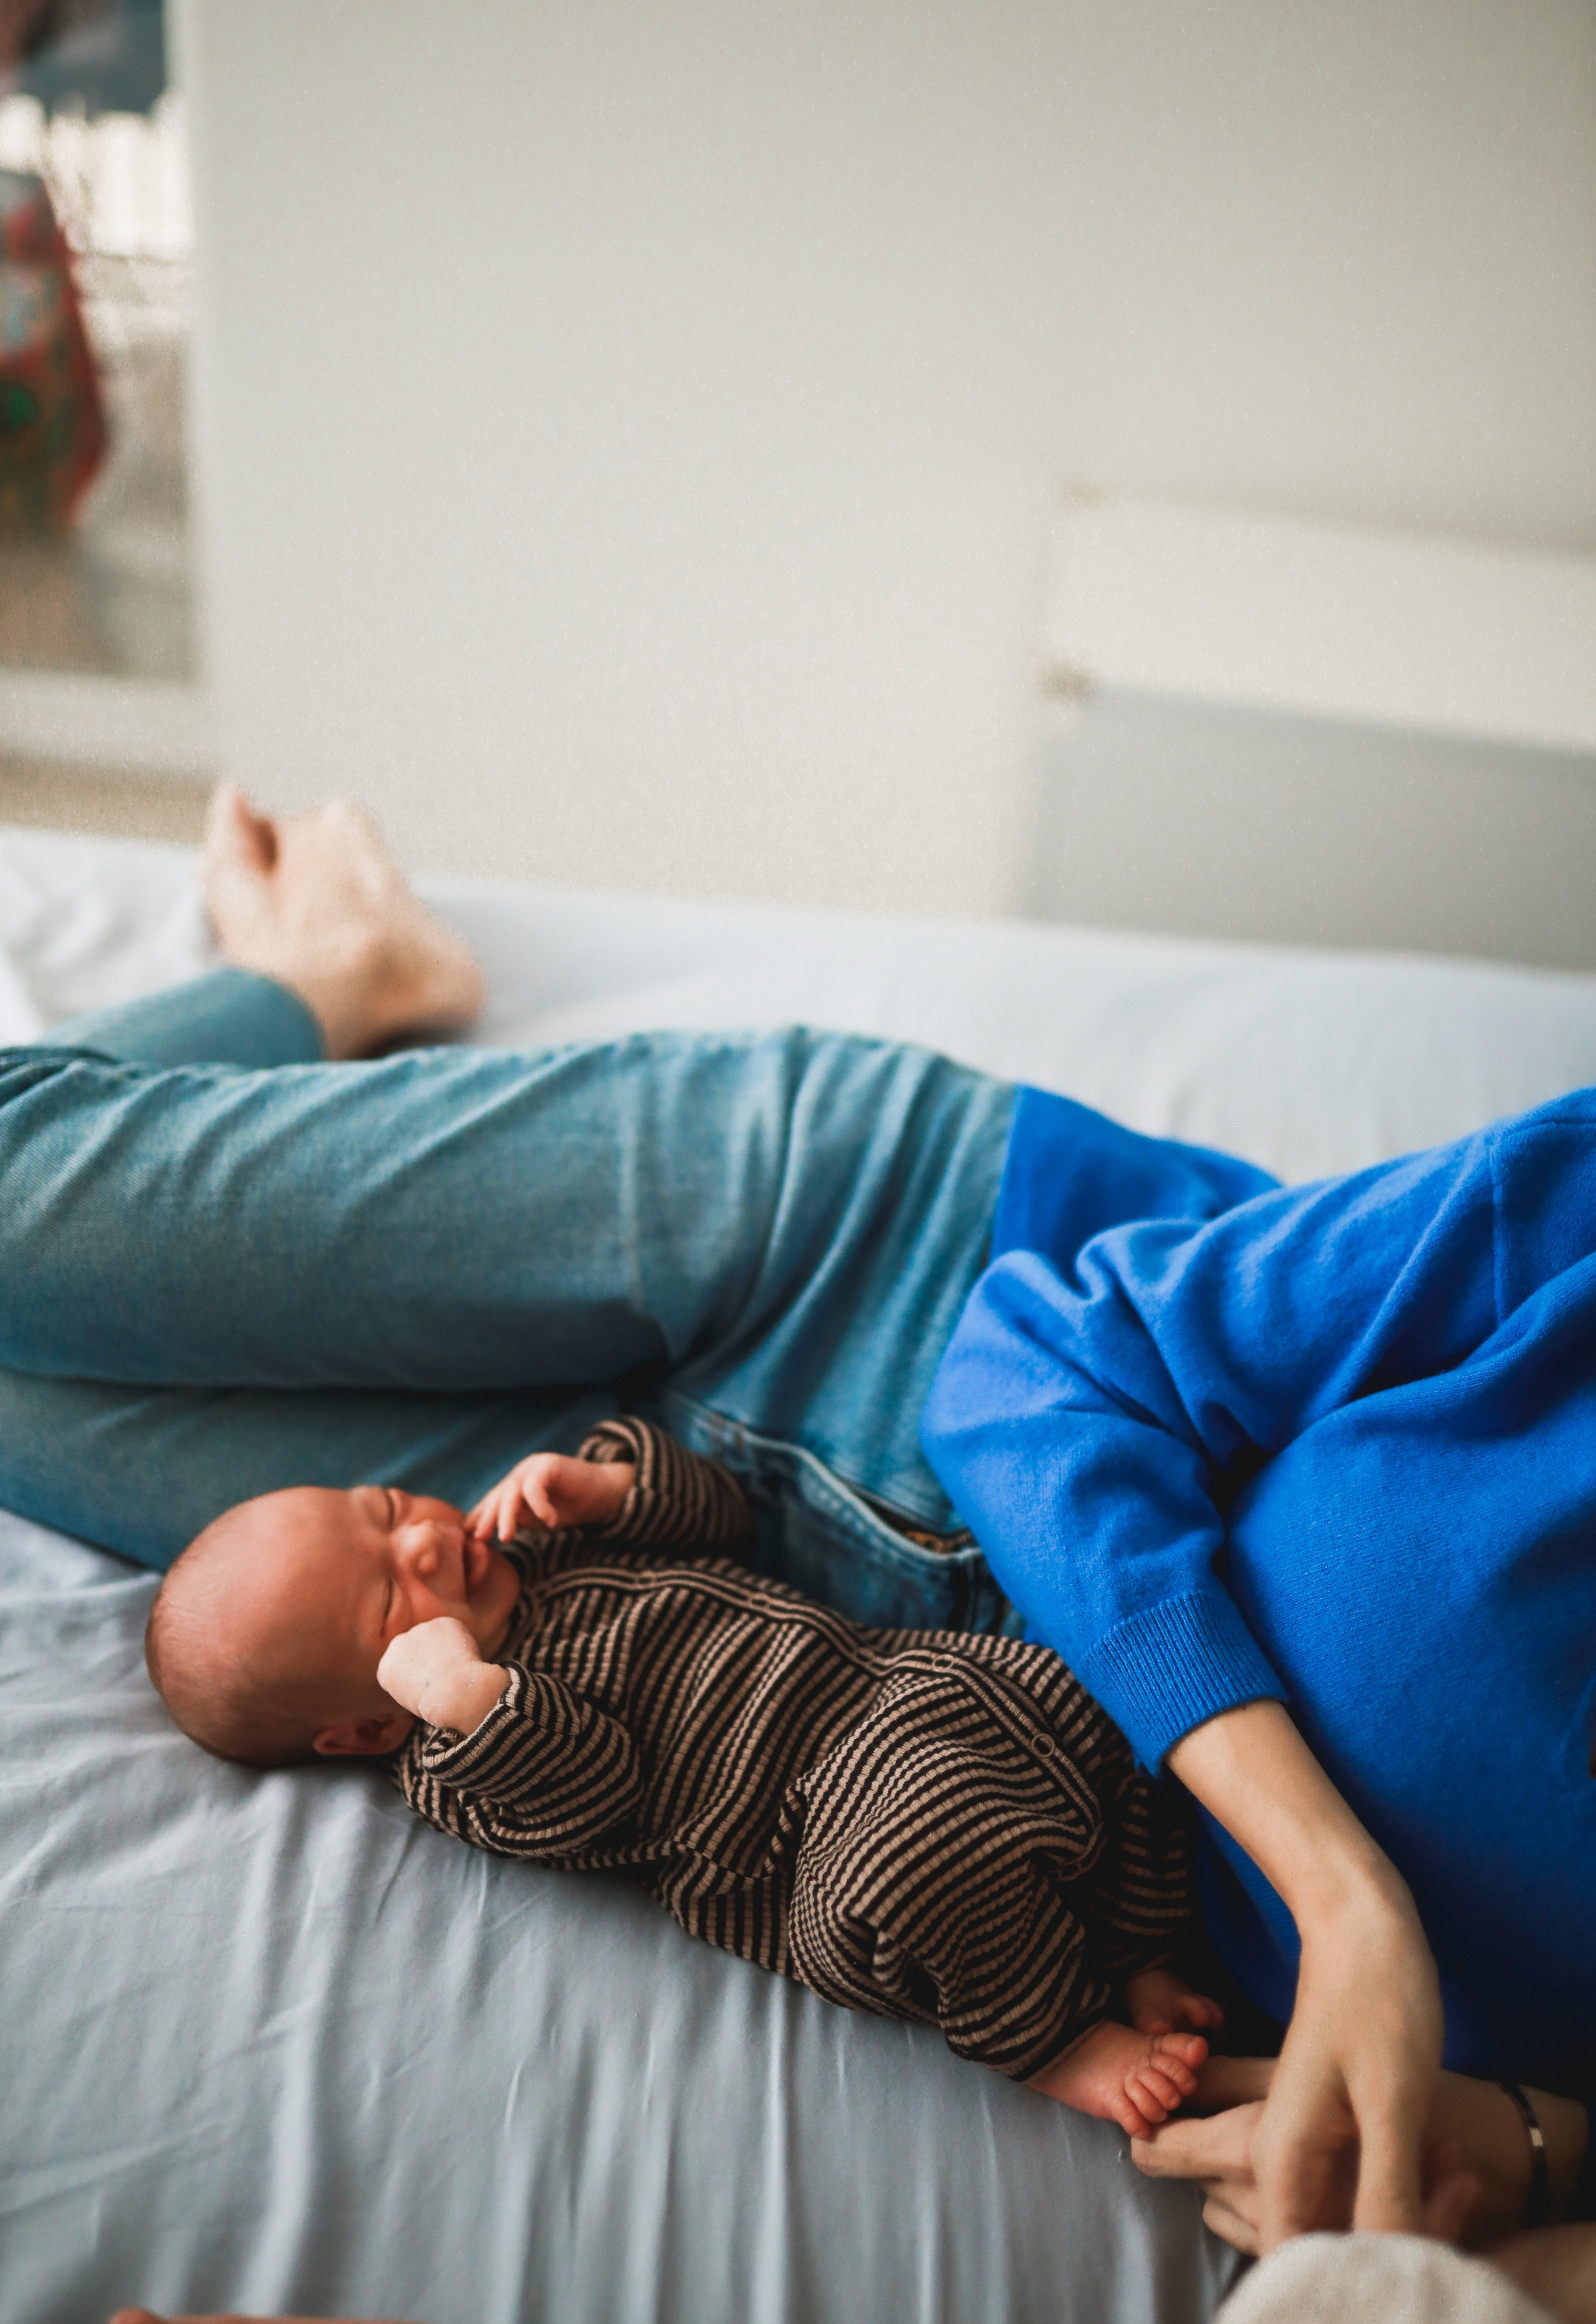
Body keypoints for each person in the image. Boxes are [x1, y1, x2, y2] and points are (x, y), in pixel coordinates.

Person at [0, 784, 1587, 2277]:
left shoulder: (433, 1602)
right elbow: (1047, 1367)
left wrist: (1519, 2147)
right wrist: (1342, 1896)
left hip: (793, 1638)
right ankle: (334, 972)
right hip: (885, 1276)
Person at [145, 1409, 1225, 2138]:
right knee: (927, 1863)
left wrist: (607, 1489)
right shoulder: (453, 1766)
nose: (422, 1546)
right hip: (811, 1832)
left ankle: (1142, 1940)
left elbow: (725, 1526)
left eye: (382, 1510)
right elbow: (598, 1785)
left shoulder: (533, 1542)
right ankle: (1060, 2039)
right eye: (387, 1601)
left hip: (894, 1679)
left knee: (1082, 1700)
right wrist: (467, 1699)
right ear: (365, 1727)